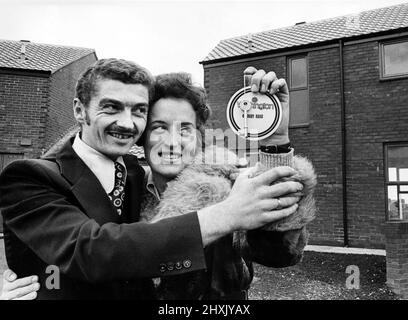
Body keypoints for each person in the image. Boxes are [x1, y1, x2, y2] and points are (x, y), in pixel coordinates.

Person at [0, 59, 302, 300]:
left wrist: (275, 140)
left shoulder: (230, 185)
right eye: (159, 127)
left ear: (200, 137)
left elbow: (281, 252)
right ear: (144, 138)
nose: (126, 122)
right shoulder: (126, 180)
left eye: (185, 129)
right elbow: (95, 251)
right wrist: (227, 215)